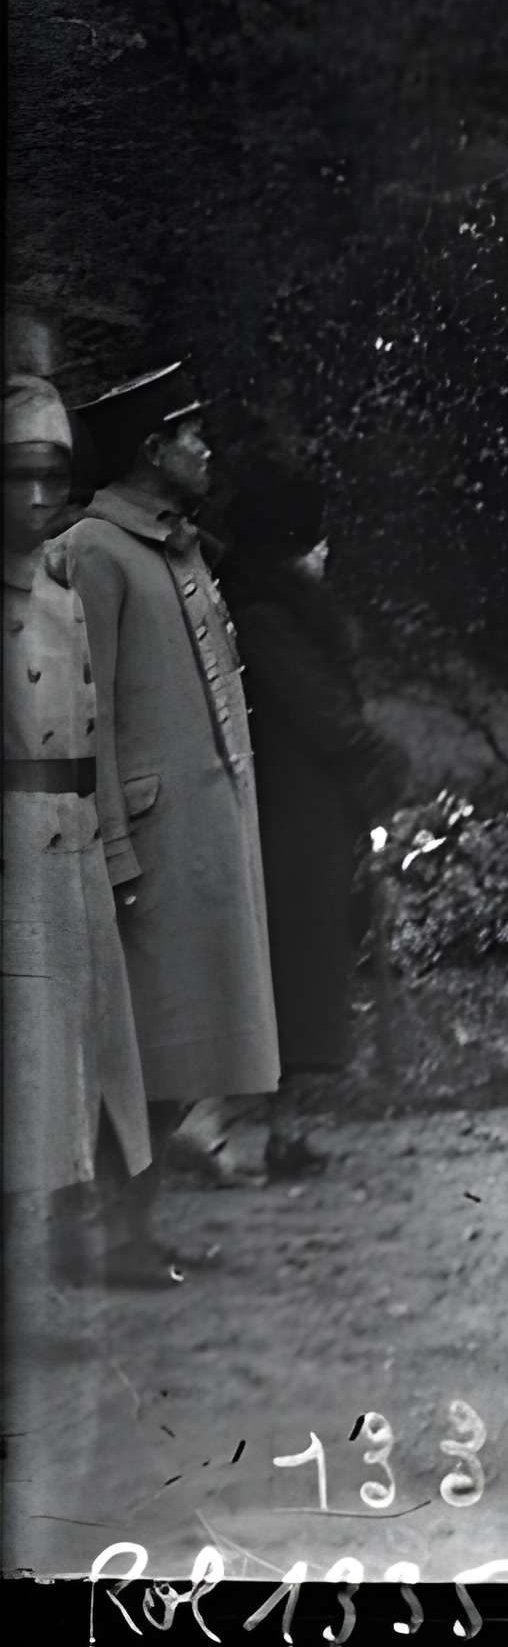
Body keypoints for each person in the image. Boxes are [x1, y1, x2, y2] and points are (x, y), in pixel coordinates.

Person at [59, 365, 282, 1250]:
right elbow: (87, 717)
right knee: (141, 1045)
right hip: (146, 847)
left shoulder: (179, 546)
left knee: (184, 1041)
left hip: (203, 837)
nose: (207, 447)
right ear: (151, 451)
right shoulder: (95, 552)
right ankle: (117, 1233)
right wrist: (110, 849)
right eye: (190, 433)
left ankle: (132, 1228)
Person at [4, 371, 156, 1282]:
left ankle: (98, 1237)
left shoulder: (62, 592)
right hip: (16, 846)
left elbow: (93, 731)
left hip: (75, 841)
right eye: (14, 476)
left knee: (95, 1048)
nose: (35, 498)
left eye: (49, 478)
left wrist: (112, 844)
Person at [221, 457, 409, 1179]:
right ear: (289, 549)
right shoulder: (271, 619)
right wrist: (381, 765)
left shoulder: (281, 613)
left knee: (302, 979)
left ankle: (281, 1131)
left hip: (307, 814)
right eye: (313, 542)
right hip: (287, 818)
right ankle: (239, 1130)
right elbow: (325, 717)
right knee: (293, 980)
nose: (325, 554)